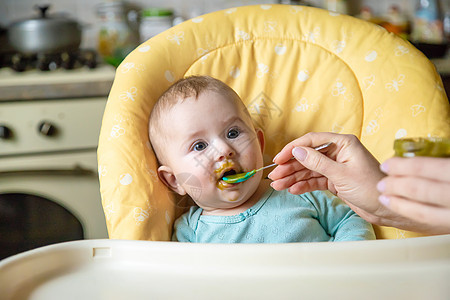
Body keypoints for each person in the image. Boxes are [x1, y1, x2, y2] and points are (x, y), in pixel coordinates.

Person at [149, 76, 375, 243]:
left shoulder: (301, 190)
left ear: (259, 144)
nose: (223, 150)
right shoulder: (190, 233)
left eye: (233, 133)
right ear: (174, 181)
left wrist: (346, 264)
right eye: (199, 146)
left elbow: (351, 220)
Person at [268, 132, 450, 235]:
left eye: (237, 133)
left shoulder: (306, 197)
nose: (236, 154)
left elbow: (350, 223)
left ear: (259, 141)